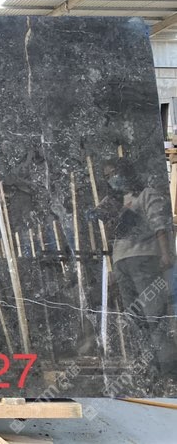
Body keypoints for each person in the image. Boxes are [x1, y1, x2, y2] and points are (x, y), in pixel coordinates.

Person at [96, 157, 176, 373]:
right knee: (135, 318)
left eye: (114, 173)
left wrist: (165, 253)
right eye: (107, 177)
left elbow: (159, 223)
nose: (112, 179)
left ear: (126, 172)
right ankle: (150, 368)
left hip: (143, 258)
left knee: (154, 315)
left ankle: (168, 369)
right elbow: (112, 235)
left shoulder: (146, 194)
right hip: (122, 262)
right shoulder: (116, 201)